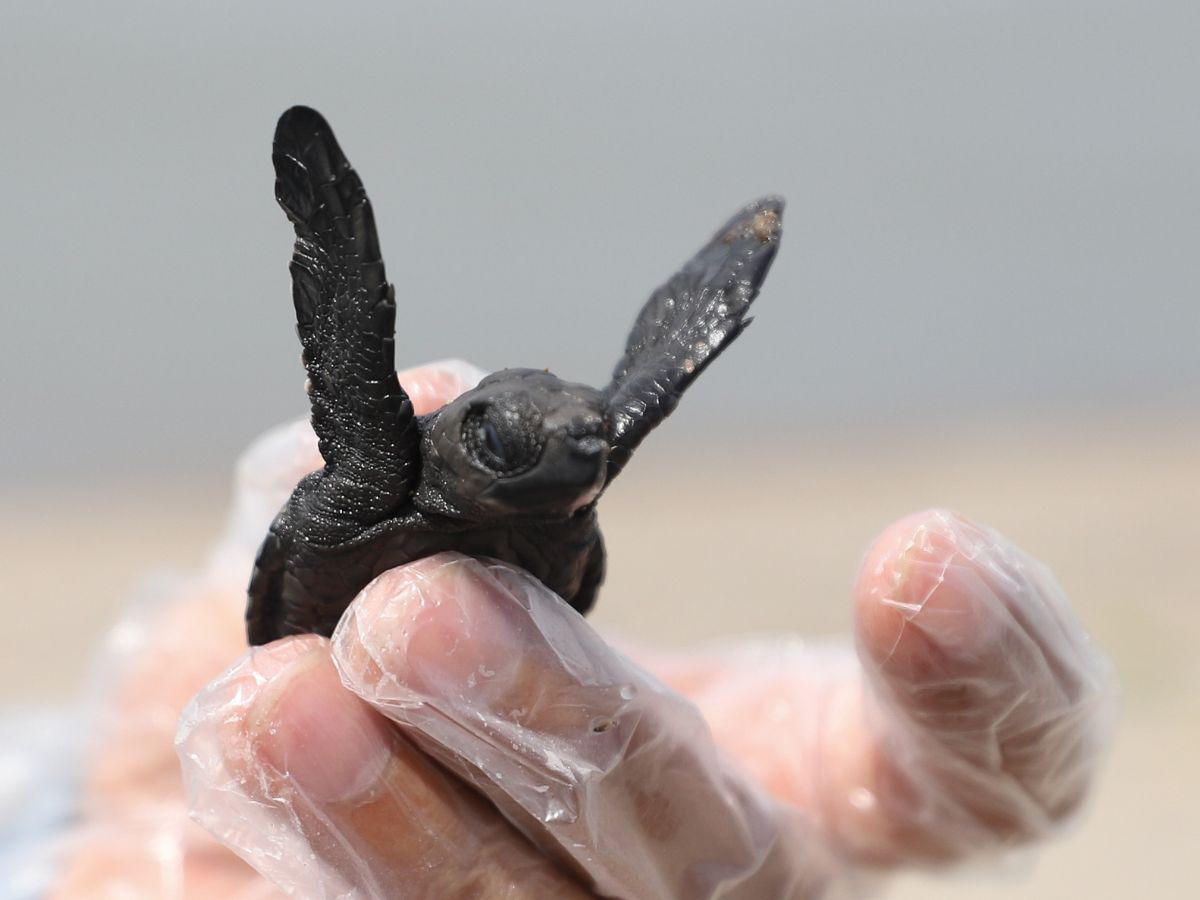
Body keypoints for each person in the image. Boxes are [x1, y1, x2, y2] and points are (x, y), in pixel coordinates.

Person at [46, 361, 1115, 898]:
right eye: (531, 446)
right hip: (313, 652)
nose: (574, 462)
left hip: (496, 648)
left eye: (592, 448)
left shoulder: (562, 473)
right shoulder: (384, 460)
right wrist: (90, 831)